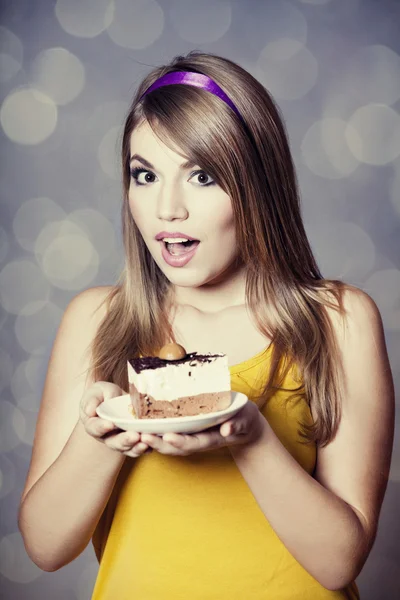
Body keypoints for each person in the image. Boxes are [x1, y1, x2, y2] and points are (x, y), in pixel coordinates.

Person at [18, 51, 394, 599]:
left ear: (256, 183)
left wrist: (250, 437)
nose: (168, 208)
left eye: (202, 175)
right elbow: (45, 548)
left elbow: (339, 563)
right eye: (144, 175)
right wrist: (99, 437)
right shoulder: (97, 321)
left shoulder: (338, 321)